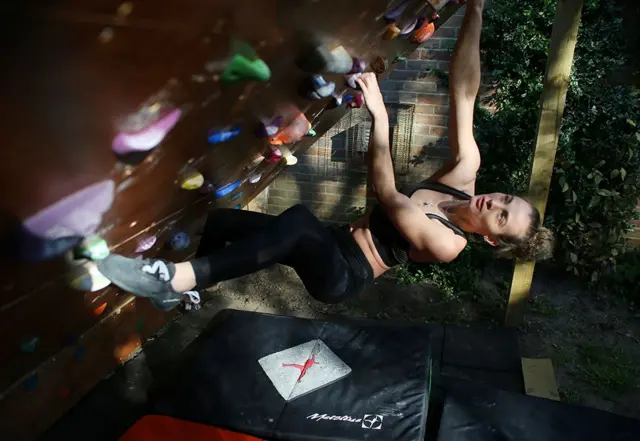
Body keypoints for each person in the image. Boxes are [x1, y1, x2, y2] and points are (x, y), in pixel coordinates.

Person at [97, 0, 554, 311]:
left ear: (492, 239)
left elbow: (388, 193)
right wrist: (474, 8)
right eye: (504, 201)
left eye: (499, 218)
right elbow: (464, 92)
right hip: (334, 240)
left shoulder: (449, 244)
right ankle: (187, 292)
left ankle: (172, 280)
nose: (492, 204)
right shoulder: (465, 172)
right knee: (221, 225)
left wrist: (380, 118)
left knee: (296, 223)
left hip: (343, 273)